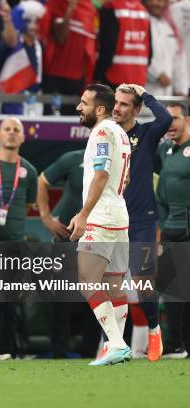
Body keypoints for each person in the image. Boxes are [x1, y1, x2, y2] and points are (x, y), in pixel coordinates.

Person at [68, 83, 132, 366]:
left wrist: (83, 215)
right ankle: (118, 346)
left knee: (87, 280)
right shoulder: (122, 132)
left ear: (100, 109)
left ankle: (116, 345)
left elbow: (102, 175)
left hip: (102, 218)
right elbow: (124, 178)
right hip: (119, 216)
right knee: (114, 287)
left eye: (84, 102)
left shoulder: (103, 131)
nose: (79, 107)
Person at [112, 83, 172, 360]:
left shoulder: (147, 134)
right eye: (116, 102)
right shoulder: (105, 135)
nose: (117, 107)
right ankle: (111, 341)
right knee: (106, 282)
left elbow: (166, 119)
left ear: (136, 109)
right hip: (112, 218)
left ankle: (154, 329)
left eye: (125, 104)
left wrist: (145, 94)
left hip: (142, 220)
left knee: (142, 281)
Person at [38, 149, 102, 357]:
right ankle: (58, 351)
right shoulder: (73, 158)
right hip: (66, 237)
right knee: (61, 296)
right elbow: (42, 180)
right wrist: (46, 218)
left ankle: (90, 352)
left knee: (93, 295)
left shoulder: (116, 161)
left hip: (97, 238)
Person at [0, 117, 37, 357]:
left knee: (11, 301)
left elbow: (28, 205)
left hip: (15, 244)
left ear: (23, 137)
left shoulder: (29, 171)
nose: (12, 133)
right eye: (8, 129)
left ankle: (10, 350)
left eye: (17, 130)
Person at [155, 102, 190, 359]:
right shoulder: (165, 149)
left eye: (175, 118)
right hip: (170, 229)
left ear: (187, 120)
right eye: (168, 120)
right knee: (172, 291)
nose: (171, 124)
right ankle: (175, 344)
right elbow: (163, 191)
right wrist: (164, 223)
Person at [40, 0, 97, 115]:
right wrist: (70, 8)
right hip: (54, 75)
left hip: (77, 79)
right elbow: (61, 38)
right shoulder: (54, 4)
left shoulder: (88, 7)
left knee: (71, 124)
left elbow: (90, 46)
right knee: (50, 124)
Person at [94, 0, 150, 90]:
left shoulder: (111, 7)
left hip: (114, 76)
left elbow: (108, 47)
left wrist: (98, 76)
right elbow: (150, 50)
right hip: (138, 78)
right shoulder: (143, 10)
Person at [144, 0, 188, 96]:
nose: (156, 4)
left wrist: (181, 88)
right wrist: (156, 74)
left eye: (160, 1)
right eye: (152, 0)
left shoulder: (168, 26)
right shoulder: (140, 22)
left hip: (168, 95)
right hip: (145, 90)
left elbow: (178, 59)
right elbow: (137, 52)